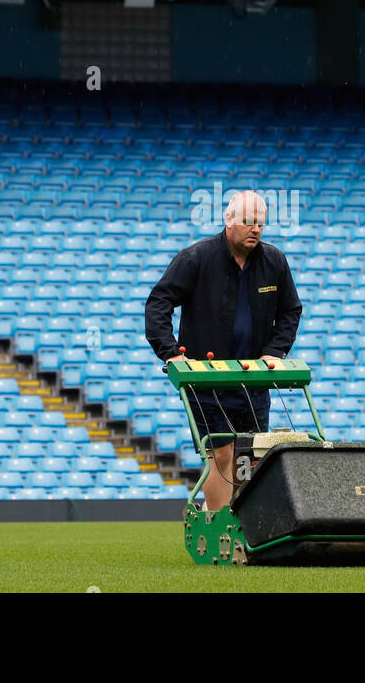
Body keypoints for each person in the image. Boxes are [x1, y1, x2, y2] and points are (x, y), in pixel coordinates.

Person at [145, 190, 302, 513]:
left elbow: (290, 311)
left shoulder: (274, 261)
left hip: (253, 382)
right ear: (228, 220)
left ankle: (248, 526)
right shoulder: (196, 258)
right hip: (206, 382)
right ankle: (221, 527)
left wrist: (275, 351)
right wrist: (171, 352)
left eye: (260, 223)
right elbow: (159, 302)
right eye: (247, 222)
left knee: (249, 455)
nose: (255, 229)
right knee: (221, 453)